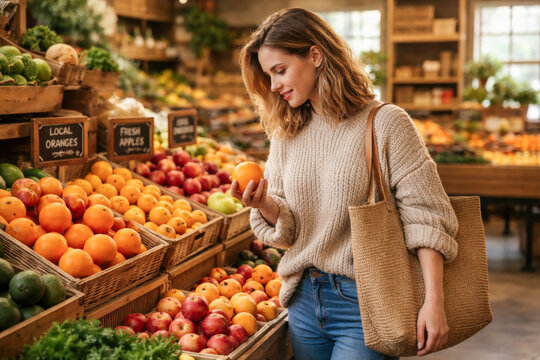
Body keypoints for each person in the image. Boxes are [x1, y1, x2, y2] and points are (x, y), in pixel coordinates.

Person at [231, 8, 458, 360]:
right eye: (268, 75)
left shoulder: (385, 124)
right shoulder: (286, 134)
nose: (274, 85)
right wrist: (264, 204)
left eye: (280, 71)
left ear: (315, 55)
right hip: (304, 301)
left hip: (365, 302)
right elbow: (291, 230)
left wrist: (434, 302)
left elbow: (426, 217)